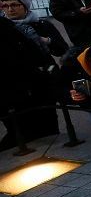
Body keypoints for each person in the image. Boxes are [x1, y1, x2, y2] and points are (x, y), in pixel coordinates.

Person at [0, 15, 60, 150]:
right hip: (17, 95)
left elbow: (38, 57)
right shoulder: (10, 28)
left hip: (29, 92)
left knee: (43, 136)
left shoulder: (11, 29)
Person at [0, 0, 68, 57]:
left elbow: (63, 50)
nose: (10, 9)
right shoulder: (3, 27)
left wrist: (47, 41)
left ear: (25, 6)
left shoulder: (42, 24)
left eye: (14, 5)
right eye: (5, 6)